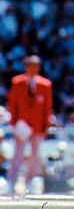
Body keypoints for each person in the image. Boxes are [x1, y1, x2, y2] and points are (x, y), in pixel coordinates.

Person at [7, 55, 52, 193]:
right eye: (30, 66)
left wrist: (45, 126)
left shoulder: (45, 84)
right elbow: (12, 104)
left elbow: (47, 107)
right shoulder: (17, 82)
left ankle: (29, 183)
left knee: (35, 156)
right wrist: (14, 123)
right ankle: (11, 183)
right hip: (22, 126)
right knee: (18, 155)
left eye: (35, 66)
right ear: (26, 67)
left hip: (37, 126)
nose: (33, 69)